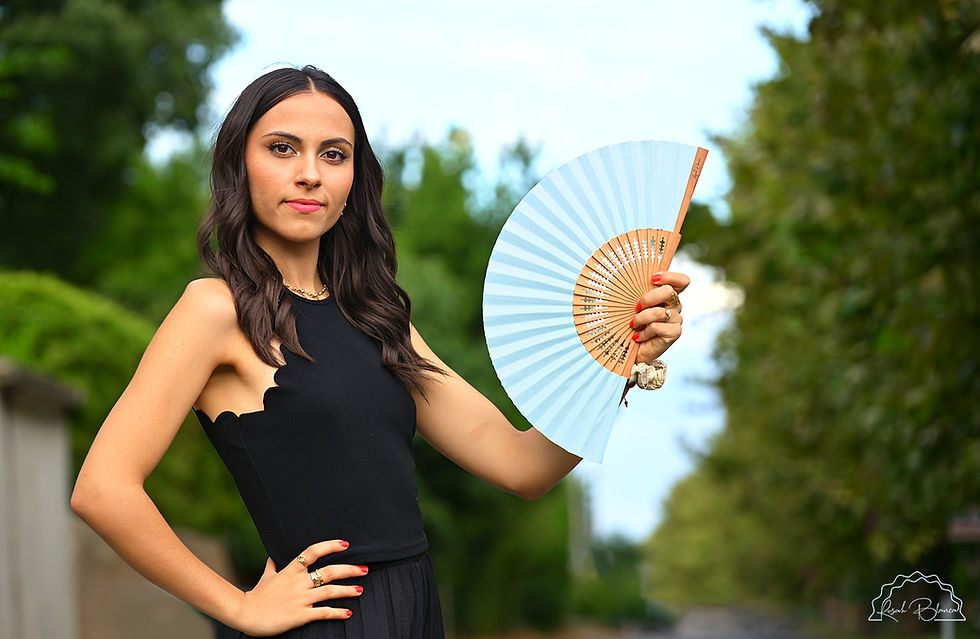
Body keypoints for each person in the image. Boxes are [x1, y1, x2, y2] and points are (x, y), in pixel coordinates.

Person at [70, 65, 690, 638]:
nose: (309, 172)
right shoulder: (214, 309)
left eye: (333, 155)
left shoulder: (379, 318)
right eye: (282, 148)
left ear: (352, 181)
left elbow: (521, 465)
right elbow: (102, 488)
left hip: (416, 609)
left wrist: (622, 360)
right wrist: (238, 606)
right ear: (239, 164)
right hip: (323, 620)